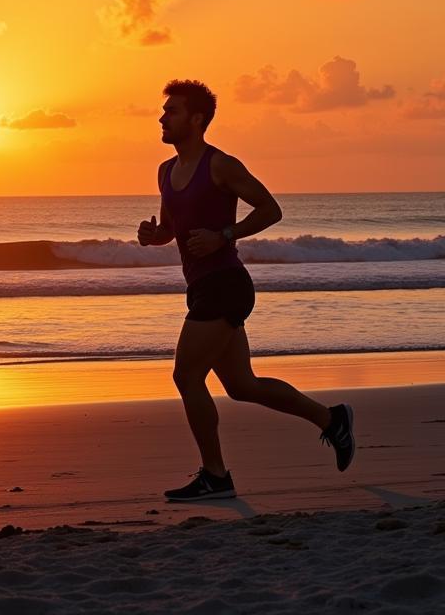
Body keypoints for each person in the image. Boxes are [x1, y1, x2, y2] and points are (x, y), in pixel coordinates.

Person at [137, 79, 355, 501]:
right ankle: (331, 419)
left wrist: (225, 234)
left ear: (197, 119)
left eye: (173, 111)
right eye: (164, 110)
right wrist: (153, 235)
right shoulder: (166, 171)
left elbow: (271, 209)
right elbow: (171, 229)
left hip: (226, 285)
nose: (163, 117)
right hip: (202, 286)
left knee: (185, 375)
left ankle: (215, 476)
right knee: (242, 386)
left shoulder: (221, 165)